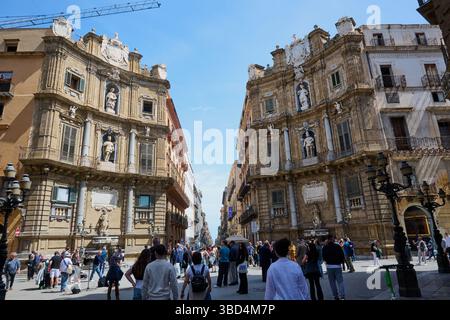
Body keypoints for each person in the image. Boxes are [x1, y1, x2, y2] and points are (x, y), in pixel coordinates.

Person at [322, 235, 346, 300]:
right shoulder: (337, 246)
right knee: (340, 282)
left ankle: (335, 296)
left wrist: (327, 261)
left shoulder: (325, 247)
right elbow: (342, 256)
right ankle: (342, 296)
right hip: (337, 266)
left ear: (328, 239)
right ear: (332, 239)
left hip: (329, 266)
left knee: (332, 283)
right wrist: (342, 263)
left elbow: (323, 257)